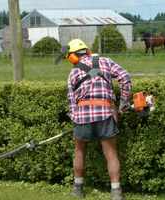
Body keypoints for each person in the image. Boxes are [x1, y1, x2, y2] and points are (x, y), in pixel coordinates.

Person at [66, 39, 132, 200]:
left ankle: (78, 188)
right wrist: (123, 102)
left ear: (72, 57)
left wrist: (76, 119)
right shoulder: (106, 61)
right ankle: (116, 192)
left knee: (79, 151)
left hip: (82, 117)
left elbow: (72, 103)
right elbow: (125, 76)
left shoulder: (73, 73)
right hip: (105, 113)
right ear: (87, 51)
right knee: (110, 153)